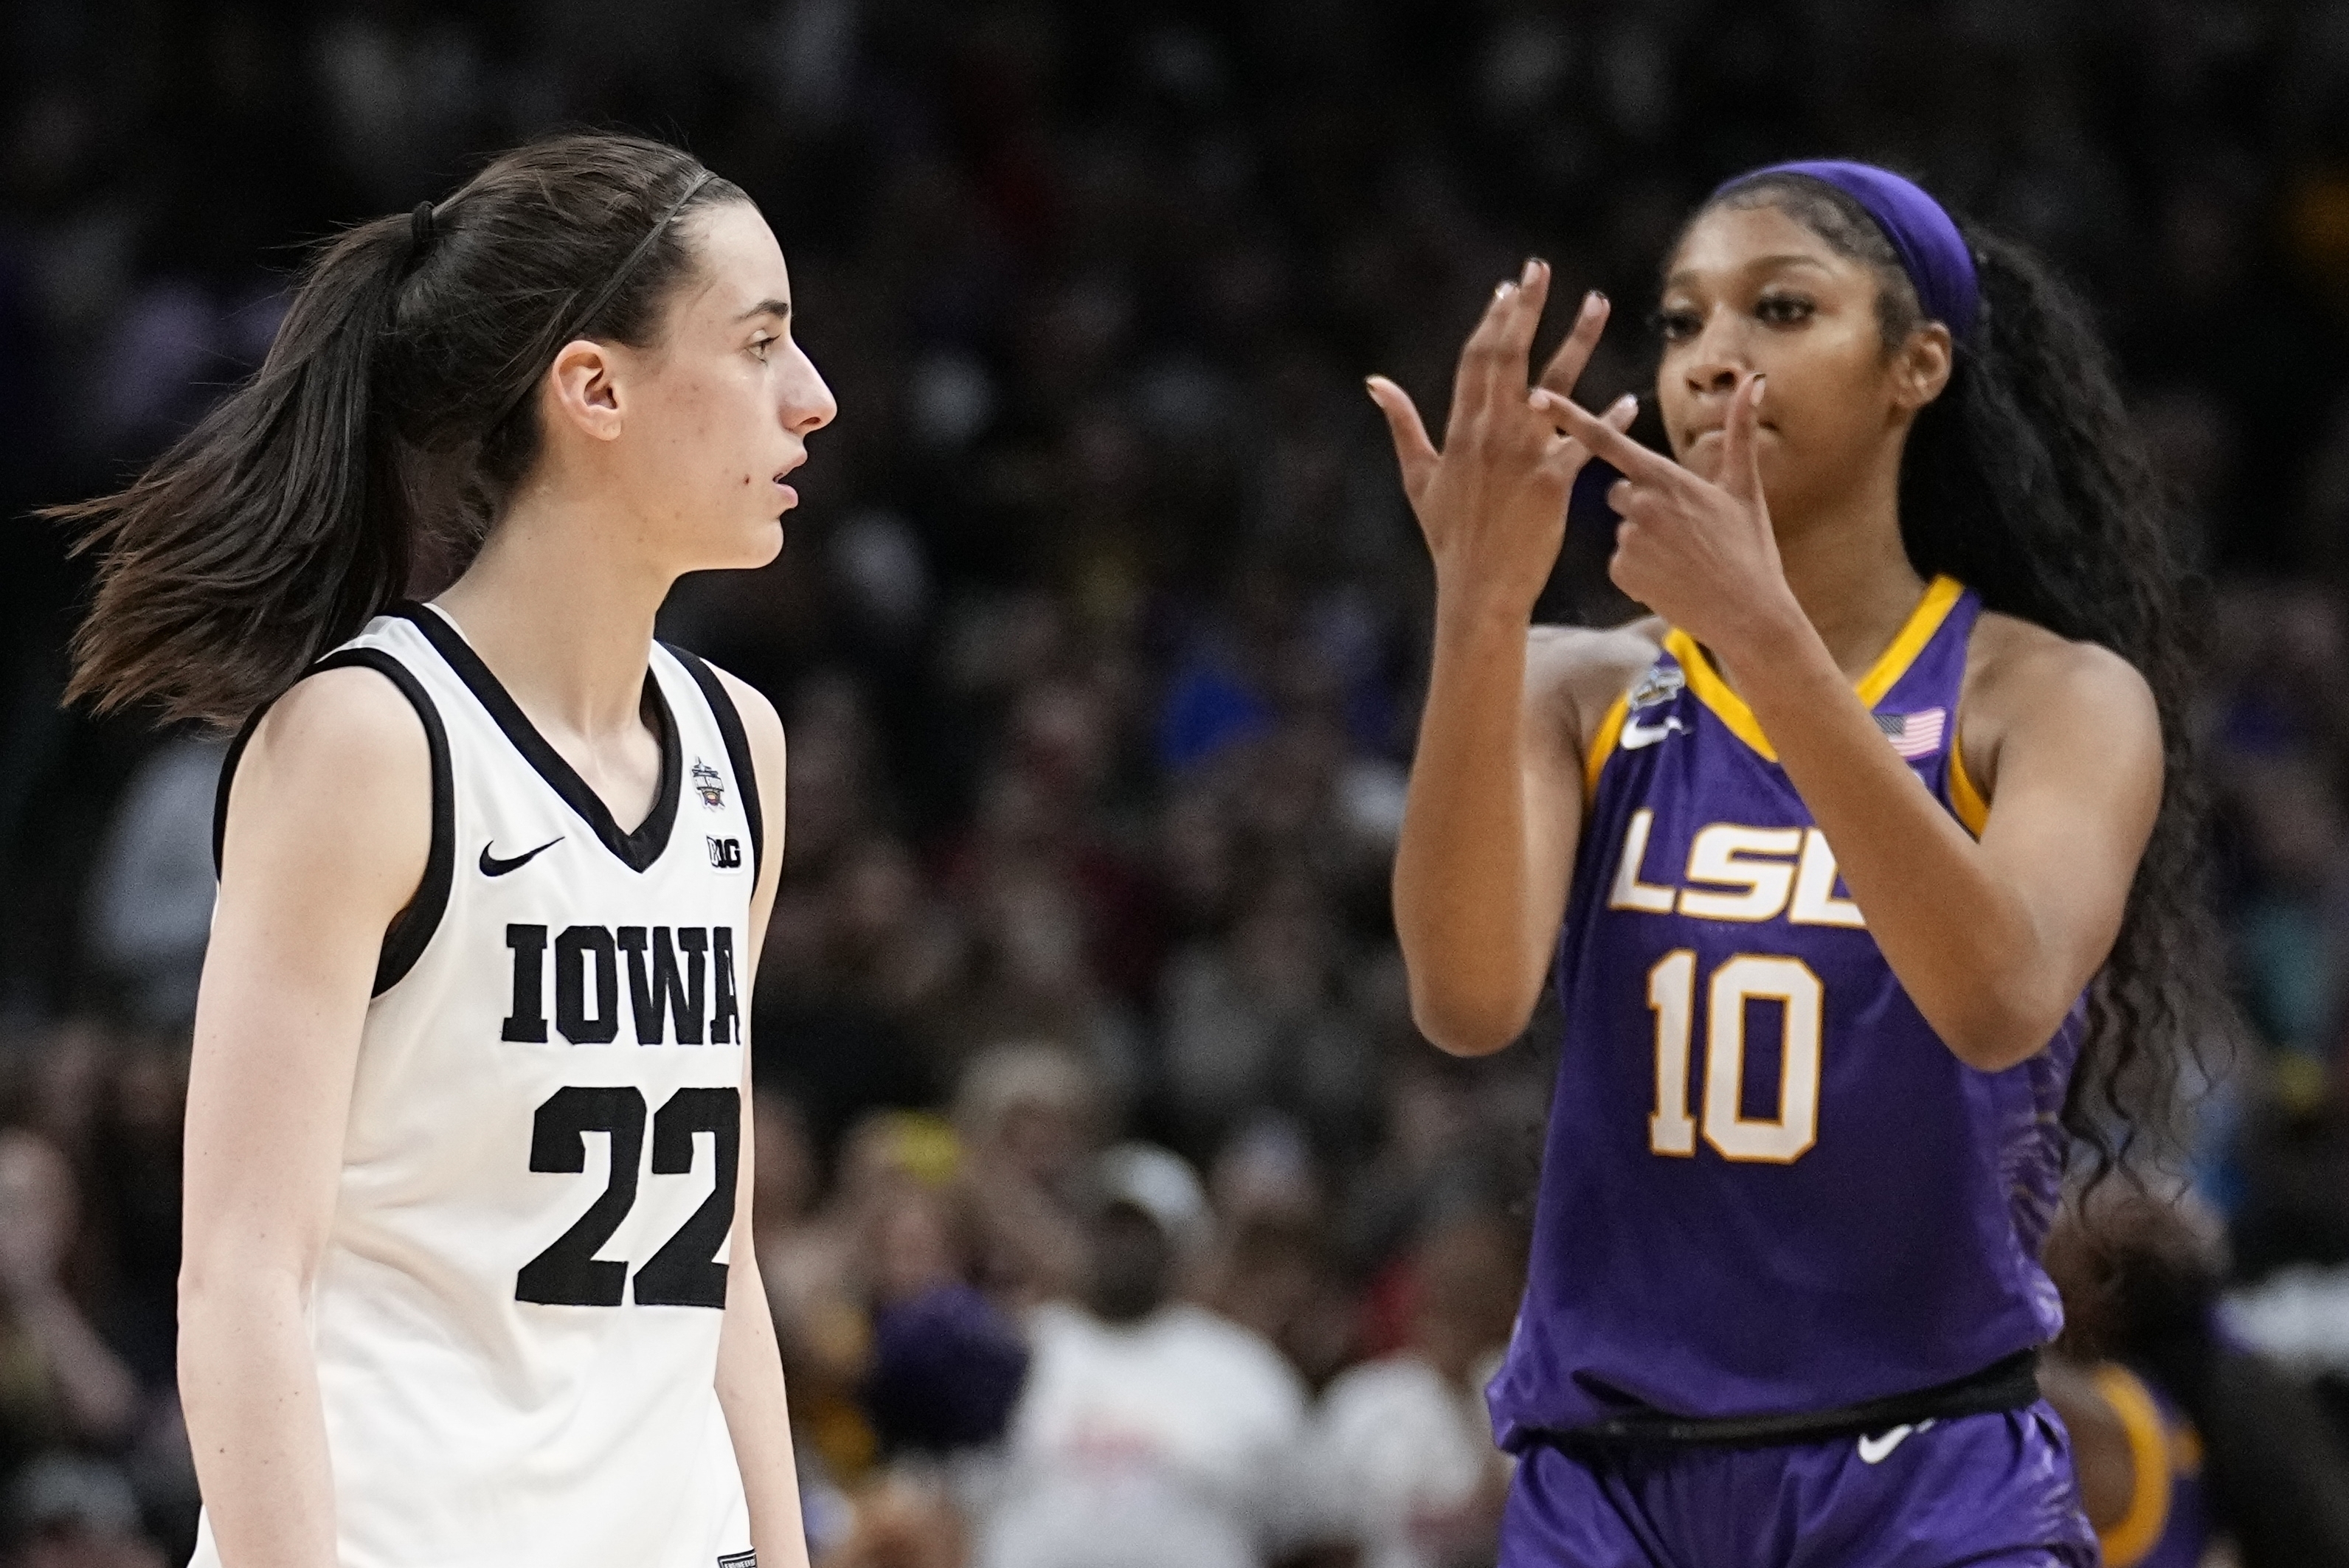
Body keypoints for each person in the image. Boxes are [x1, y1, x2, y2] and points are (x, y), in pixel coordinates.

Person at [1369, 160, 2227, 1564]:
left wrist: (1764, 638)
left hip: (1927, 1475)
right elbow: (1465, 1002)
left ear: (1918, 365)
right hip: (1611, 1483)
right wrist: (1480, 604)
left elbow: (2001, 995)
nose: (1714, 359)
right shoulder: (1570, 684)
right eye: (1684, 321)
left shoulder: (2054, 696)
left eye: (1778, 311)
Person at [55, 133, 836, 1567]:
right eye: (761, 343)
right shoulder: (369, 740)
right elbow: (239, 1276)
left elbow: (711, 1247)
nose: (814, 397)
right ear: (592, 387)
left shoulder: (741, 748)